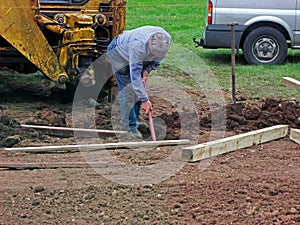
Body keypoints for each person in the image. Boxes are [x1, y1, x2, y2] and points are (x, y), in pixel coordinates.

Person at [107, 25, 172, 140]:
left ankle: (134, 122)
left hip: (138, 57)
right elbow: (135, 77)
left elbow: (157, 61)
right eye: (154, 54)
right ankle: (128, 128)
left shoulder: (166, 40)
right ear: (148, 45)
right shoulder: (137, 46)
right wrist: (145, 100)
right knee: (128, 91)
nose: (156, 56)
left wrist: (147, 70)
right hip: (119, 54)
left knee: (137, 91)